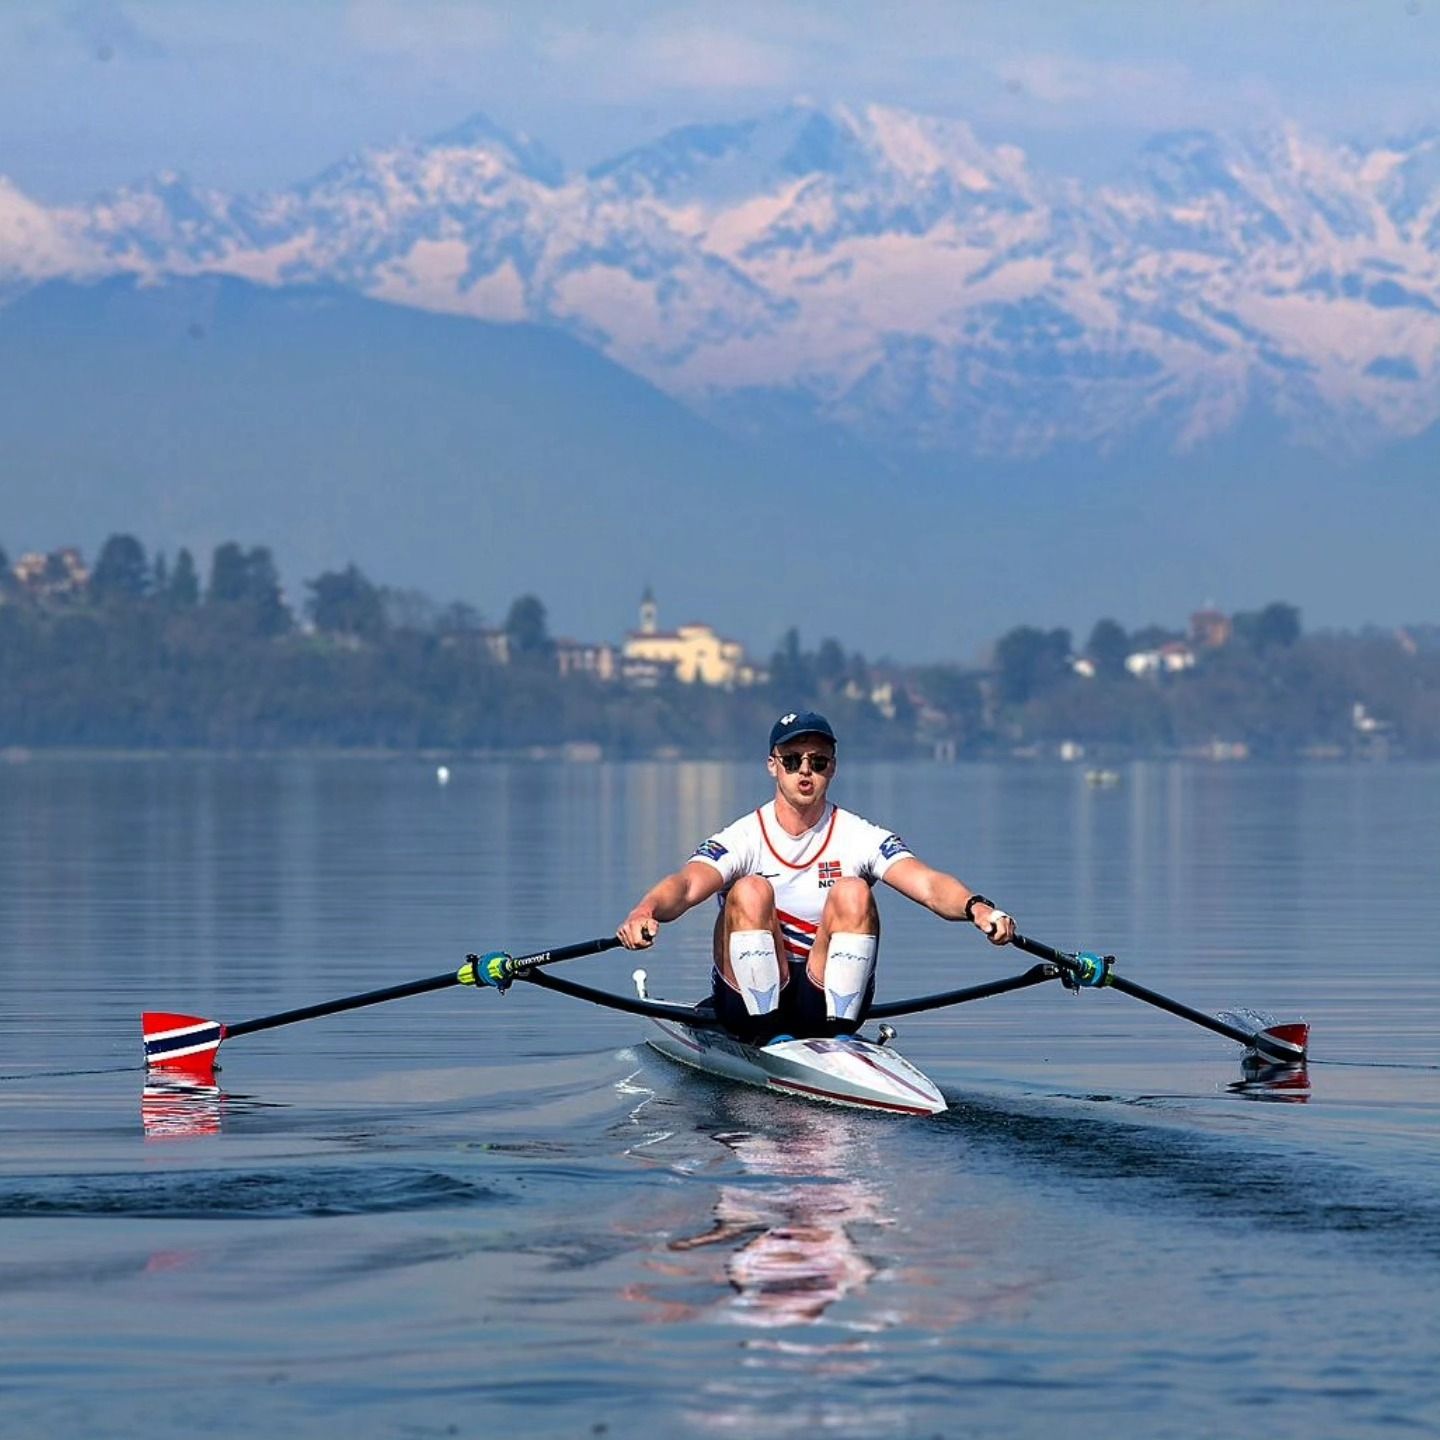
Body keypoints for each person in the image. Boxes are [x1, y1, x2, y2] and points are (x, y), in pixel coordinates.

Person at [617, 710, 1016, 1042]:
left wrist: (977, 908)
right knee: (751, 889)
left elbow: (928, 885)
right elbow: (686, 885)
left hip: (822, 999)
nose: (805, 771)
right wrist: (644, 911)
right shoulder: (742, 838)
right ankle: (765, 1031)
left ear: (832, 768)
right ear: (772, 766)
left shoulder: (859, 836)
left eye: (818, 761)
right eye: (792, 760)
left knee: (854, 891)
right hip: (745, 1003)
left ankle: (838, 1035)